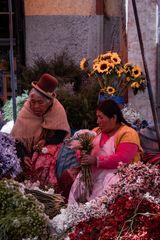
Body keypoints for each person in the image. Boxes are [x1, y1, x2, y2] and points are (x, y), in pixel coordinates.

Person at [68, 99, 143, 204]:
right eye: (97, 117)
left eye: (101, 117)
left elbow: (123, 159)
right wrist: (81, 155)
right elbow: (81, 148)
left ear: (113, 118)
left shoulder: (128, 133)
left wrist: (96, 160)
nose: (97, 121)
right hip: (93, 175)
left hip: (118, 176)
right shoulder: (96, 131)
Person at [11, 73, 70, 189]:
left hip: (49, 148)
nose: (36, 106)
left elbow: (60, 135)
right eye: (33, 102)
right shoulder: (26, 110)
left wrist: (46, 141)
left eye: (40, 103)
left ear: (49, 102)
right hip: (27, 151)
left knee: (46, 157)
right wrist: (23, 156)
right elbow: (16, 139)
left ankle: (48, 188)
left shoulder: (57, 109)